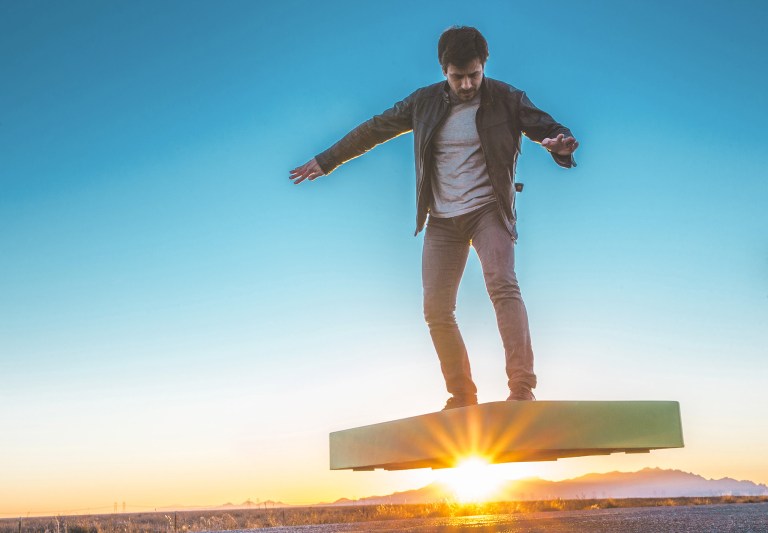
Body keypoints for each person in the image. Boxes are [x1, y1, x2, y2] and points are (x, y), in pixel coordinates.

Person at [289, 26, 579, 410]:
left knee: (503, 286)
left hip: (488, 211)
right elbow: (373, 130)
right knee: (437, 310)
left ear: (483, 67)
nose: (465, 85)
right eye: (457, 77)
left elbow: (552, 129)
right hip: (442, 219)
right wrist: (327, 160)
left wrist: (560, 145)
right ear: (444, 70)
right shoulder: (422, 103)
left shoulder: (507, 98)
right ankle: (461, 396)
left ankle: (521, 388)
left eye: (473, 75)